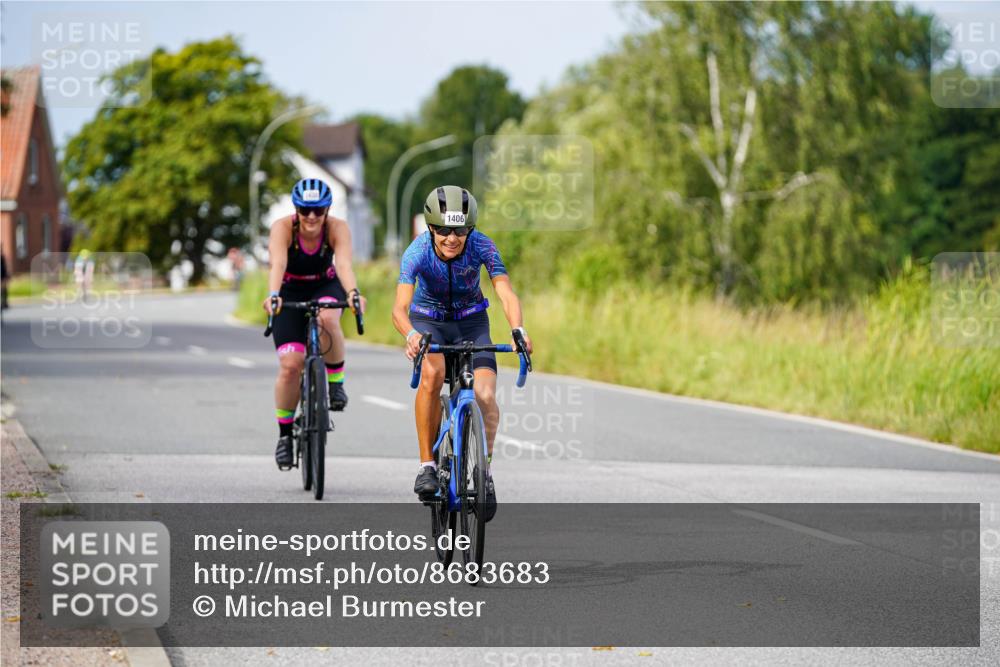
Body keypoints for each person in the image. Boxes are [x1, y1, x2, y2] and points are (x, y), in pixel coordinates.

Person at [392, 185, 533, 522]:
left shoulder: (483, 245)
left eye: (459, 230)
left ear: (470, 229)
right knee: (434, 374)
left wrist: (518, 329)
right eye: (443, 230)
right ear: (430, 228)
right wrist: (411, 335)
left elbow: (506, 292)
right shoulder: (417, 252)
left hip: (472, 323)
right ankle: (427, 466)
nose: (451, 238)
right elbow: (400, 308)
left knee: (484, 394)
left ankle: (484, 473)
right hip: (429, 321)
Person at [264, 178, 364, 470]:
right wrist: (273, 296)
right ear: (296, 209)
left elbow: (344, 265)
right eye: (304, 210)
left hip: (325, 285)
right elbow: (277, 265)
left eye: (318, 211)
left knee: (329, 316)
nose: (311, 217)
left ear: (327, 209)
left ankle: (335, 384)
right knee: (290, 366)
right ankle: (285, 436)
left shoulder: (337, 228)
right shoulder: (283, 228)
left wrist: (353, 294)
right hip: (289, 291)